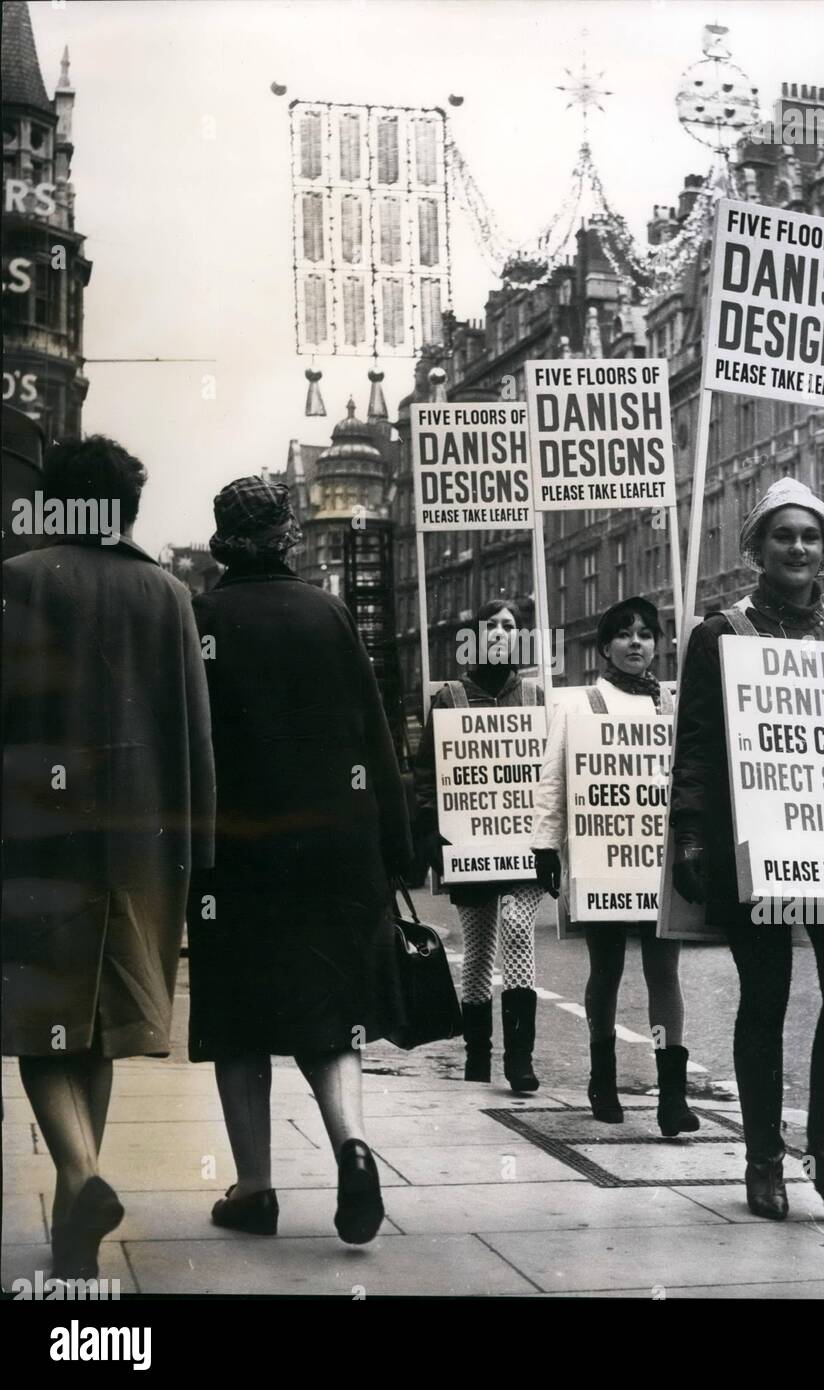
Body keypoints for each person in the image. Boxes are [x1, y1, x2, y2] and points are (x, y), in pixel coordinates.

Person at [2, 435, 215, 1280]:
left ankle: (82, 1177)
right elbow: (195, 736)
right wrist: (198, 854)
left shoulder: (14, 582)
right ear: (126, 508)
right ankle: (72, 1230)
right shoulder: (169, 594)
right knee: (94, 1028)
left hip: (30, 838)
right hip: (143, 845)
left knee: (36, 1026)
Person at [187, 477, 412, 1245]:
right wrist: (397, 846)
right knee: (329, 1013)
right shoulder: (330, 612)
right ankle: (351, 1146)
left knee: (237, 1018)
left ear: (224, 541)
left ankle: (255, 1191)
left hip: (235, 853)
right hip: (335, 849)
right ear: (289, 536)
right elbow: (374, 733)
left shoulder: (203, 618)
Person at [670, 477, 824, 1225]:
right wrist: (687, 833)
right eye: (783, 535)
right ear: (757, 547)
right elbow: (693, 743)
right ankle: (763, 1158)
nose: (798, 547)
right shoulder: (720, 633)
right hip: (755, 845)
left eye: (811, 536)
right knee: (766, 998)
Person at [530, 596, 698, 1136]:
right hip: (603, 858)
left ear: (658, 644)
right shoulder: (578, 706)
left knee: (663, 973)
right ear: (604, 646)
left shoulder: (672, 706)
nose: (636, 644)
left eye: (646, 634)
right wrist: (544, 847)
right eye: (624, 635)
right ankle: (602, 1079)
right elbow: (554, 779)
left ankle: (672, 1096)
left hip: (657, 861)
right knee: (606, 970)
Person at [414, 599, 545, 1092]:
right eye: (489, 625)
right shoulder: (448, 699)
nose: (500, 633)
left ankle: (519, 1059)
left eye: (509, 627)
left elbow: (549, 776)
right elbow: (427, 774)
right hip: (468, 847)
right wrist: (430, 831)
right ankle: (477, 1057)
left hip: (521, 849)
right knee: (477, 951)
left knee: (515, 927)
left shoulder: (534, 698)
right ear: (471, 637)